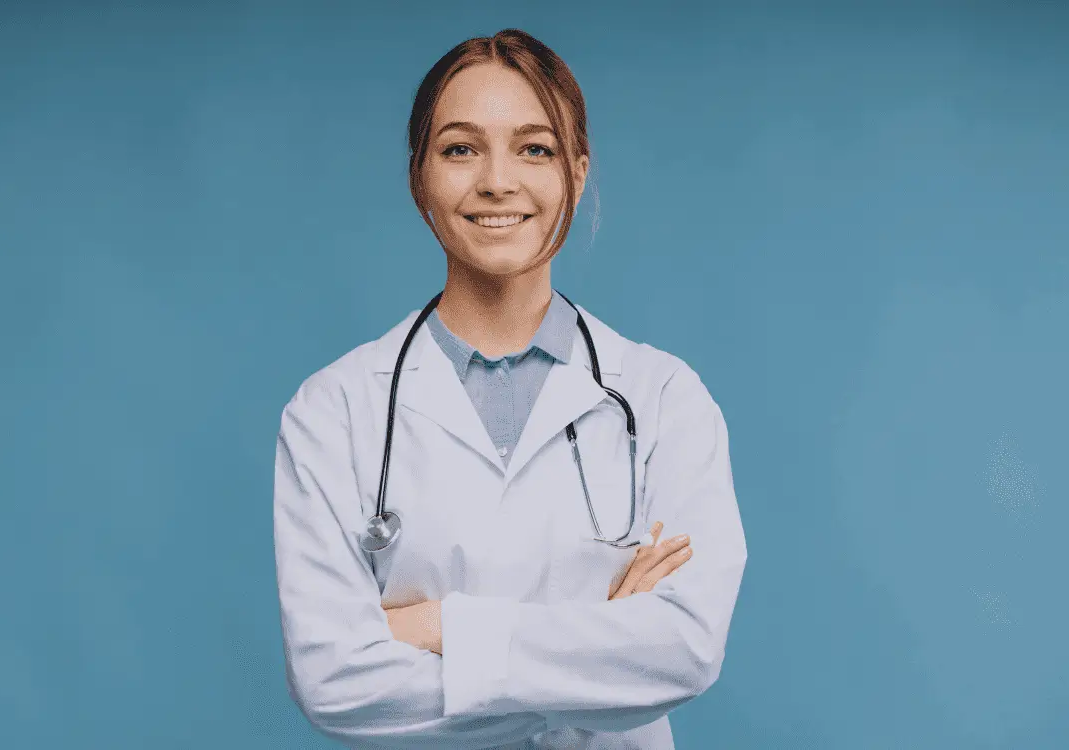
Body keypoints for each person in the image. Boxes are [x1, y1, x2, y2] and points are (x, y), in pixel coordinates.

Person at [271, 29, 748, 750]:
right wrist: (601, 661)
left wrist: (435, 629)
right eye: (461, 148)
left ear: (577, 173)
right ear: (418, 177)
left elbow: (685, 649)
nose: (498, 181)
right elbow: (332, 683)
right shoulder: (333, 411)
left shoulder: (662, 399)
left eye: (536, 148)